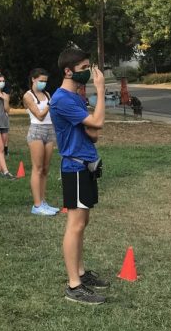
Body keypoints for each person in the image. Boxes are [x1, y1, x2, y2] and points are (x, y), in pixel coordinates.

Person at [50, 47, 109, 305]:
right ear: (68, 70)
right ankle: (74, 285)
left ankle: (81, 273)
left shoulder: (76, 97)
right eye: (84, 68)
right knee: (74, 225)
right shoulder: (62, 98)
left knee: (82, 223)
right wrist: (101, 90)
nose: (88, 73)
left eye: (88, 68)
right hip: (74, 168)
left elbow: (94, 132)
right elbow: (96, 124)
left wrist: (91, 120)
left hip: (86, 166)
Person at [23, 68, 60, 216]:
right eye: (41, 81)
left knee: (45, 169)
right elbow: (39, 115)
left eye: (45, 81)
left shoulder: (47, 94)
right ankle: (37, 205)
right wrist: (51, 104)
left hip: (50, 131)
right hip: (37, 131)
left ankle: (43, 202)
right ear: (33, 79)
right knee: (37, 168)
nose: (43, 83)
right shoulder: (28, 96)